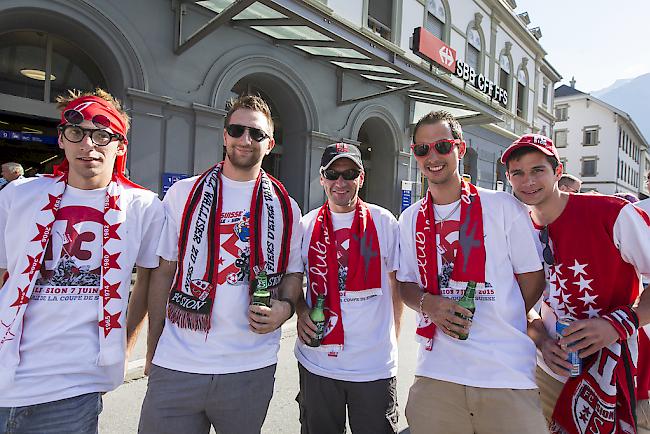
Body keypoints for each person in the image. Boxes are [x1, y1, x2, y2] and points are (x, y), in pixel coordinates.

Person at [0, 88, 164, 433]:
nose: (88, 145)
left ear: (120, 146)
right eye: (77, 133)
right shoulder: (18, 195)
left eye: (102, 135)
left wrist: (125, 346)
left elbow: (148, 280)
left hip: (76, 386)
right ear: (62, 140)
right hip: (5, 372)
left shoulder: (143, 206)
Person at [140, 95, 304, 434]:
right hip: (178, 363)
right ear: (224, 135)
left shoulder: (287, 208)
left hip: (250, 366)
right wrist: (153, 348)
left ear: (270, 143)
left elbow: (292, 276)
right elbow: (164, 272)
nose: (246, 139)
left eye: (256, 134)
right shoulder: (183, 194)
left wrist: (285, 310)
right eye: (237, 130)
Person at [397, 111, 547, 434]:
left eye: (441, 146)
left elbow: (533, 279)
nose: (432, 157)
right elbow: (406, 284)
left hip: (504, 373)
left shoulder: (504, 207)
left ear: (460, 149)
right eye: (422, 150)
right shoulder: (409, 219)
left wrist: (500, 313)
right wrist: (430, 304)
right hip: (437, 374)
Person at [502, 133, 650, 434]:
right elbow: (519, 302)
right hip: (548, 370)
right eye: (518, 173)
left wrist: (617, 324)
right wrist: (539, 337)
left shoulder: (611, 213)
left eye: (538, 170)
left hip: (619, 369)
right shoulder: (515, 227)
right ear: (508, 178)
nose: (527, 181)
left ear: (558, 171)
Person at [295, 143, 403, 434]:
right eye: (333, 174)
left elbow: (397, 285)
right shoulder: (305, 226)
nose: (340, 182)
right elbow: (294, 284)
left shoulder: (384, 223)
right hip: (317, 362)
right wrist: (302, 311)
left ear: (361, 177)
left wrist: (393, 339)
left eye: (350, 173)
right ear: (322, 178)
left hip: (373, 367)